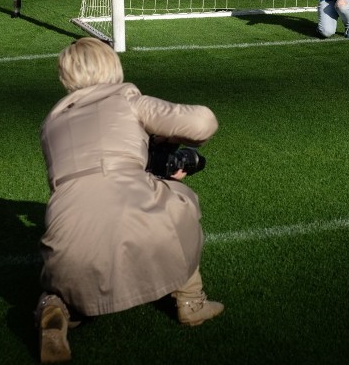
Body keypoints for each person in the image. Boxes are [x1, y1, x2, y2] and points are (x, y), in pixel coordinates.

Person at [36, 38, 224, 363]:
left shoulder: (51, 123)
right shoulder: (126, 98)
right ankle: (192, 302)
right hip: (136, 214)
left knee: (71, 264)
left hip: (66, 228)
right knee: (180, 199)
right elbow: (203, 122)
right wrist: (164, 138)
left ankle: (57, 308)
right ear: (112, 66)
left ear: (66, 76)